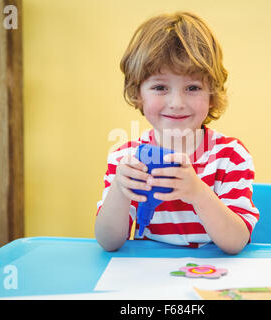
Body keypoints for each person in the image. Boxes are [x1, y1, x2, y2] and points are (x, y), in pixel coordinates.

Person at [95, 11, 259, 254]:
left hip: (212, 277)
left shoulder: (230, 156)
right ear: (138, 93)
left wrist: (198, 193)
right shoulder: (125, 158)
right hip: (148, 278)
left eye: (192, 87)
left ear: (212, 95)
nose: (176, 102)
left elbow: (236, 242)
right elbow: (108, 242)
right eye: (160, 87)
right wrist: (120, 189)